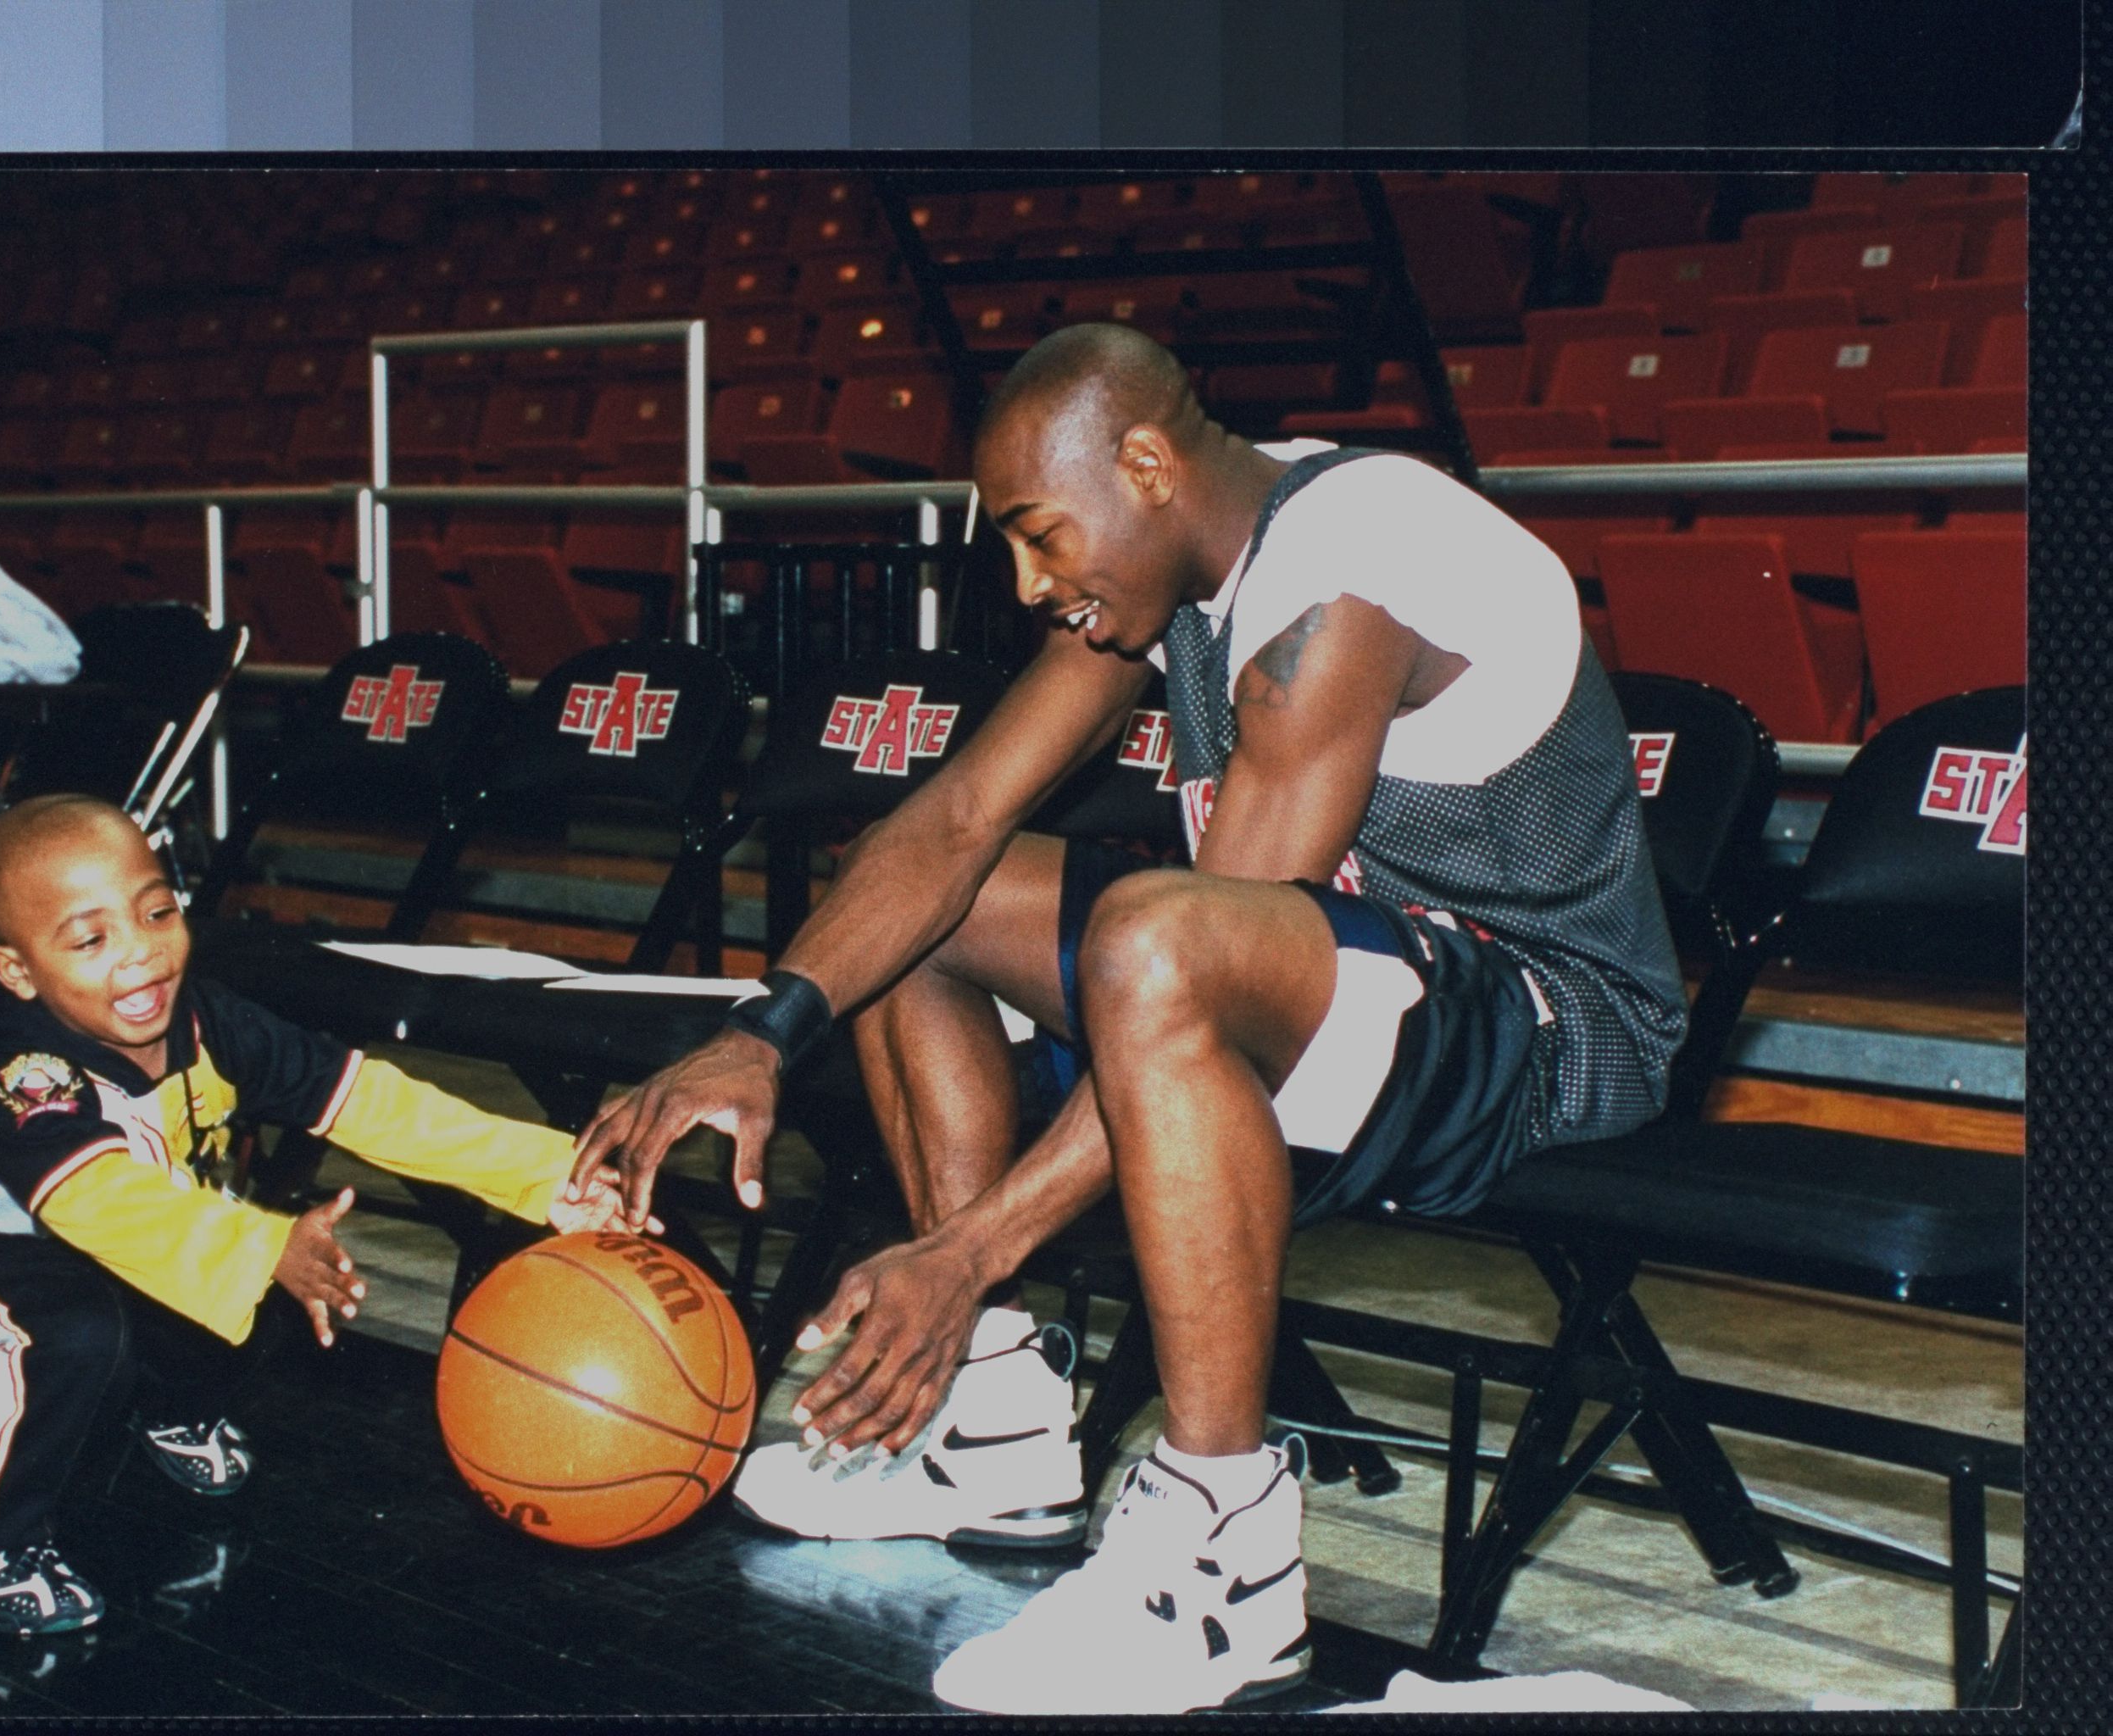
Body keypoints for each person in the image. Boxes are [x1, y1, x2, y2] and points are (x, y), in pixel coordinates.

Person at [568, 324, 1685, 1713]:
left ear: (1146, 464)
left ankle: (1223, 1557)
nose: (1037, 585)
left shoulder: (1349, 573)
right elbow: (956, 821)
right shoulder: (1180, 565)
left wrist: (962, 1249)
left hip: (1544, 1022)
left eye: (1043, 537)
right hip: (1355, 990)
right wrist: (761, 1030)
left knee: (1158, 935)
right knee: (911, 899)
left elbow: (1210, 946)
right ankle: (990, 1424)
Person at [0, 794, 642, 1636]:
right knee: (75, 1336)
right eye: (91, 940)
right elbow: (101, 1203)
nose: (140, 953)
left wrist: (547, 1175)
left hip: (135, 1217)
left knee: (265, 1280)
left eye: (157, 911)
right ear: (17, 970)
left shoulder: (209, 1019)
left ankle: (170, 1407)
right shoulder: (23, 1073)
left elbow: (367, 1099)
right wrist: (260, 1244)